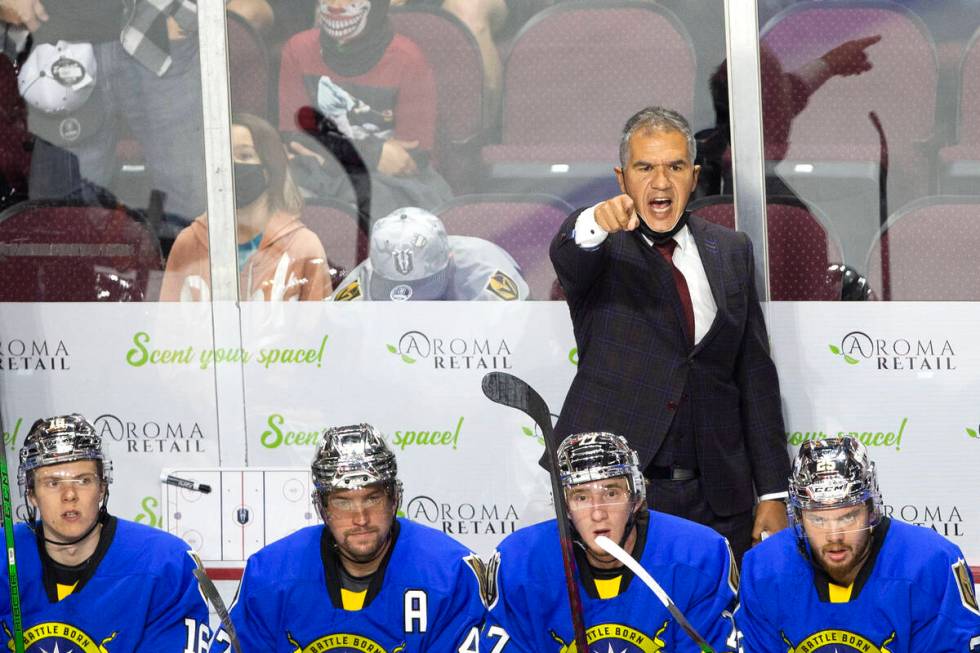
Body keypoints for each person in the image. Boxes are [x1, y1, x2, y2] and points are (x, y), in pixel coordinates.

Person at [549, 106, 790, 564]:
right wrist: (598, 219)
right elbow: (568, 248)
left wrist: (773, 492)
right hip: (616, 497)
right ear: (621, 178)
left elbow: (755, 375)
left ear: (694, 175)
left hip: (721, 498)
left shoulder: (731, 250)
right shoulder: (599, 249)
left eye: (675, 166)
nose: (661, 182)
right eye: (645, 167)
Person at [213, 423, 486, 652]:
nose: (361, 518)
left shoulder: (448, 574)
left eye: (372, 498)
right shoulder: (271, 575)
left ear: (394, 499)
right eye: (343, 502)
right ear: (322, 508)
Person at [482, 431, 738, 652]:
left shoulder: (696, 556)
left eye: (611, 492)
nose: (597, 512)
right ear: (564, 508)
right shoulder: (522, 564)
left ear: (636, 497)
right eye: (581, 497)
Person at [736, 437, 980, 651]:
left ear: (871, 510)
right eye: (818, 519)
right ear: (799, 518)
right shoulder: (764, 566)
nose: (834, 536)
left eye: (847, 516)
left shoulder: (930, 562)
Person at [0, 414, 210, 651]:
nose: (69, 495)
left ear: (102, 487)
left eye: (83, 480)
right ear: (31, 494)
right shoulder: (5, 555)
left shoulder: (164, 563)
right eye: (53, 483)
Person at [4, 0, 206, 227]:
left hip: (157, 33)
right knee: (61, 214)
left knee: (192, 199)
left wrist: (190, 12)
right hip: (57, 39)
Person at [278, 0, 453, 219]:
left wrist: (326, 152)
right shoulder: (298, 50)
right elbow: (295, 138)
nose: (336, 6)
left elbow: (408, 160)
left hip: (388, 188)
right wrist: (373, 153)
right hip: (318, 177)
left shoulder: (407, 58)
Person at [160, 113, 331, 301]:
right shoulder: (188, 243)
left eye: (245, 155)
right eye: (223, 156)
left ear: (270, 167)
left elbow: (317, 328)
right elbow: (169, 327)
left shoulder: (304, 246)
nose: (232, 165)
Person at [329, 206, 530, 301]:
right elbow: (333, 332)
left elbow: (518, 344)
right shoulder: (368, 274)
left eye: (421, 285)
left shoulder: (485, 272)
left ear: (449, 258)